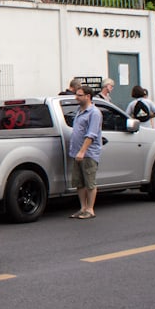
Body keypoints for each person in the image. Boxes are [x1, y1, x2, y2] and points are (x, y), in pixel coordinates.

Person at [68, 85, 103, 219]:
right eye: (77, 94)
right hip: (77, 153)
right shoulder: (79, 110)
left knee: (89, 182)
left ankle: (90, 209)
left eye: (80, 95)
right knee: (79, 182)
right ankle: (82, 207)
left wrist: (83, 151)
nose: (76, 97)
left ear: (88, 96)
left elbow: (91, 135)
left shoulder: (94, 113)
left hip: (88, 153)